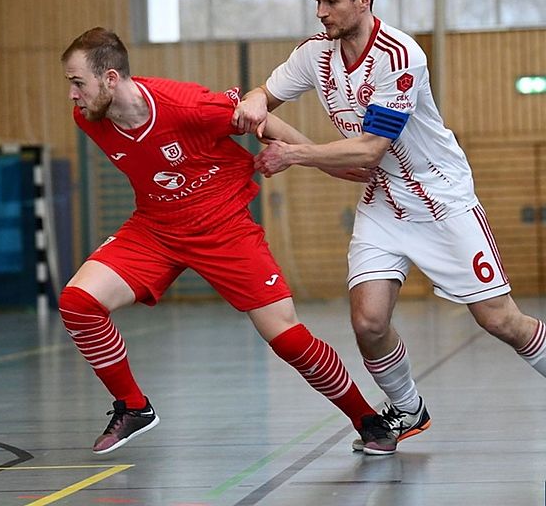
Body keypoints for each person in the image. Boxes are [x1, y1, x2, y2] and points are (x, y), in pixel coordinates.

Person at [231, 0, 546, 453]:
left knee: (499, 320)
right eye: (316, 0)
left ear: (364, 0)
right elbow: (264, 94)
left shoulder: (400, 56)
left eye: (331, 1)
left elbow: (370, 148)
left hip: (441, 200)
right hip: (384, 202)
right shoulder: (315, 52)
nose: (321, 11)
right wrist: (250, 102)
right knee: (368, 321)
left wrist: (295, 155)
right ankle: (408, 409)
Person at [59, 27, 397, 456]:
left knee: (286, 336)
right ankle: (133, 407)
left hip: (222, 228)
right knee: (78, 302)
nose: (72, 95)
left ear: (110, 79)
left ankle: (366, 418)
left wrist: (322, 159)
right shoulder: (88, 119)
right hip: (156, 228)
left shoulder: (186, 106)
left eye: (77, 83)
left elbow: (262, 118)